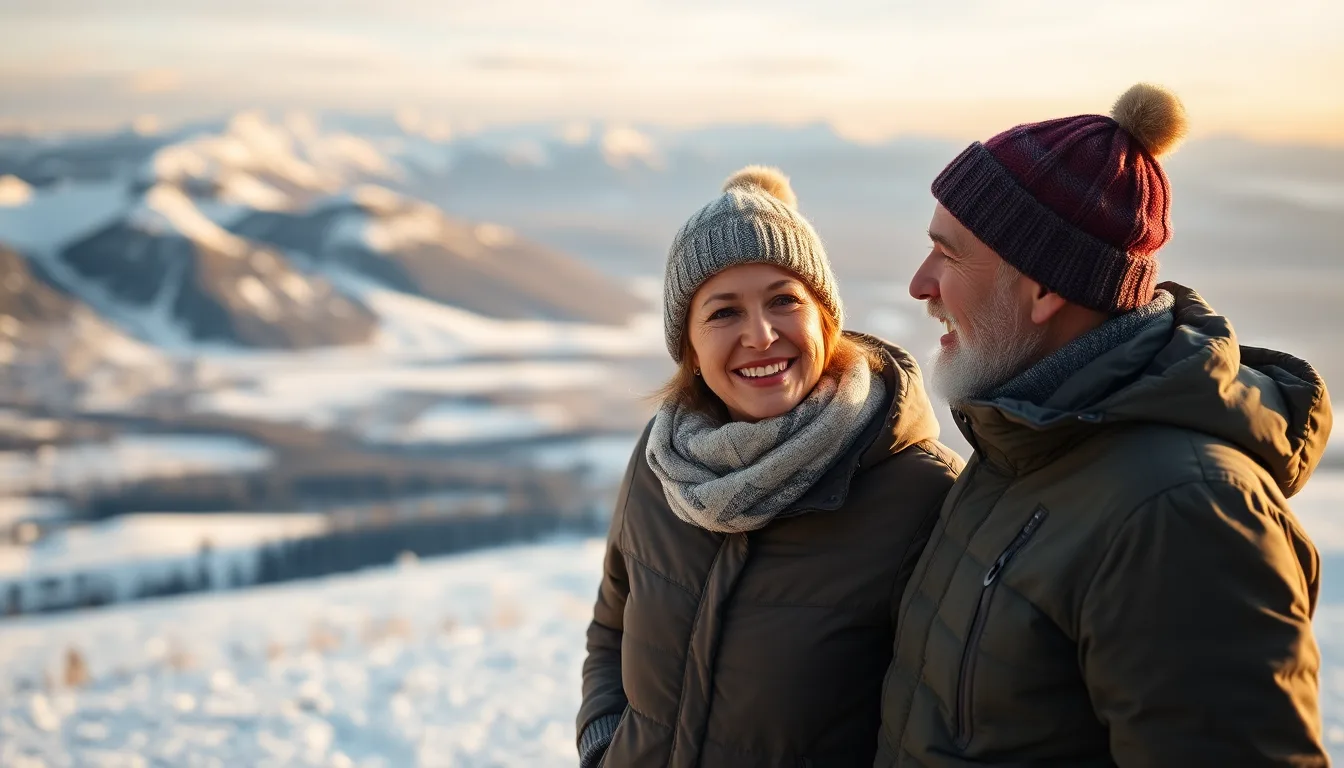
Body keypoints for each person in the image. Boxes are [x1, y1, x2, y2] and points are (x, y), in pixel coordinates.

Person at [877, 83, 1334, 766]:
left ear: (1044, 288)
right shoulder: (1029, 444)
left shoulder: (1183, 515)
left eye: (949, 254)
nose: (920, 283)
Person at [576, 166, 962, 767]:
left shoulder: (922, 492)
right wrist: (603, 743)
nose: (760, 335)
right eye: (723, 313)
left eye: (784, 301)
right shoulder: (663, 459)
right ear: (691, 348)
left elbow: (942, 719)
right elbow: (612, 627)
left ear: (825, 320)